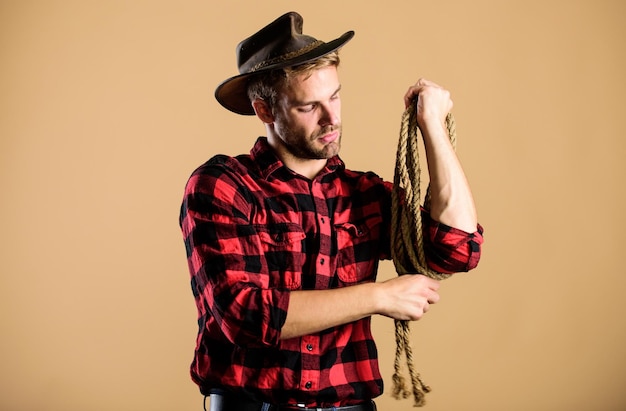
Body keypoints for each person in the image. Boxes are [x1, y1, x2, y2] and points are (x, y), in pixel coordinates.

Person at [179, 11, 483, 411]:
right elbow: (245, 315)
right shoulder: (224, 186)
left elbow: (458, 249)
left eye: (335, 96)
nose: (332, 118)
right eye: (310, 106)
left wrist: (434, 129)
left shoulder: (364, 194)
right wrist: (378, 296)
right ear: (266, 111)